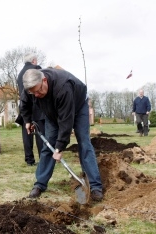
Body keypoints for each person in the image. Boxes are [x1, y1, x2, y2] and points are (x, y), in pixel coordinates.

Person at [20, 68, 103, 201]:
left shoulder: (63, 87)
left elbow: (66, 122)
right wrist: (27, 121)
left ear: (44, 80)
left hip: (78, 106)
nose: (36, 95)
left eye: (38, 90)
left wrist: (59, 148)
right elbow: (24, 103)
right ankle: (40, 184)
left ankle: (95, 186)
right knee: (48, 145)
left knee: (84, 142)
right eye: (33, 92)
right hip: (51, 111)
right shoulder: (31, 88)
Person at [16, 53, 45, 166]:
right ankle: (43, 159)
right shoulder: (37, 69)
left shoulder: (20, 74)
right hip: (37, 106)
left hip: (24, 107)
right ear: (33, 61)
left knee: (27, 134)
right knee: (40, 134)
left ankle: (29, 160)